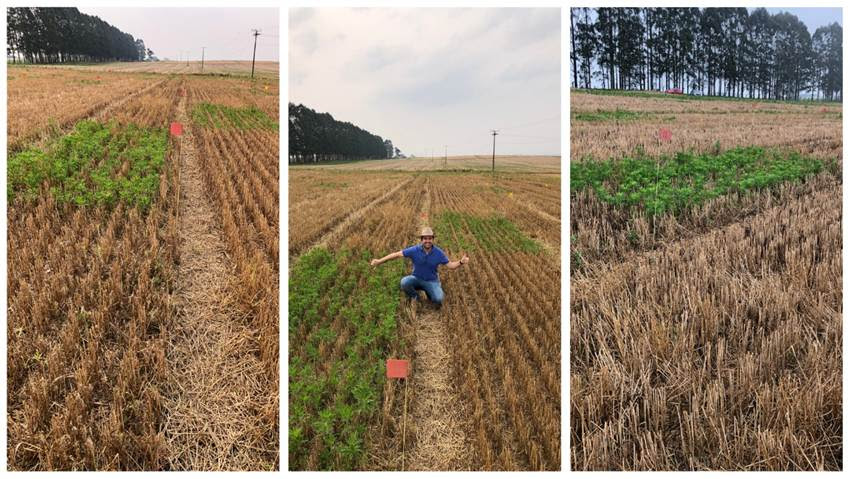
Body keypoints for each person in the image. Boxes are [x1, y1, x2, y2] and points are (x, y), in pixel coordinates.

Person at [369, 226, 469, 310]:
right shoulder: (414, 250)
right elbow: (396, 254)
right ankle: (416, 297)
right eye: (425, 238)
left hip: (431, 281)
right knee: (404, 282)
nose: (427, 241)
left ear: (433, 239)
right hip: (416, 278)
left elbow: (450, 265)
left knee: (439, 299)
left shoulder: (439, 253)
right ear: (421, 240)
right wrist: (379, 261)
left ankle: (430, 292)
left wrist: (461, 262)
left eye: (430, 238)